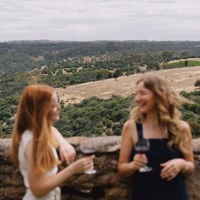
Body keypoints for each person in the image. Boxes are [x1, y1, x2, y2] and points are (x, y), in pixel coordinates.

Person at [10, 84, 94, 200]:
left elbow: (51, 130)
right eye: (54, 105)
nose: (59, 107)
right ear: (42, 110)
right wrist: (73, 169)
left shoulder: (32, 132)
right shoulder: (34, 143)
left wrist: (62, 143)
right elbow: (37, 190)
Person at [118, 74, 195, 200]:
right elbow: (122, 169)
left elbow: (190, 165)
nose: (137, 99)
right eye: (136, 94)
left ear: (159, 95)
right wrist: (133, 165)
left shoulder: (181, 128)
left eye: (142, 93)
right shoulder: (131, 127)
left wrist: (181, 164)